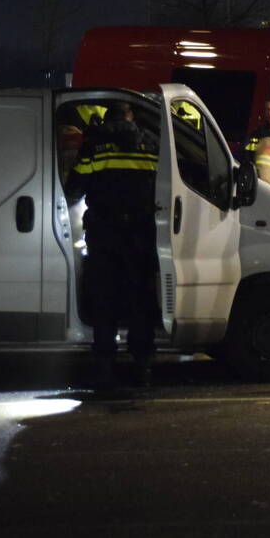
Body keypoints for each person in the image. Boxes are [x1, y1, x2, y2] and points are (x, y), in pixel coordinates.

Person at [64, 101, 159, 388]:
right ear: (131, 118)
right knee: (140, 298)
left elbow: (74, 188)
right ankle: (142, 366)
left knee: (104, 297)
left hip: (104, 231)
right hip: (141, 231)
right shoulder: (151, 143)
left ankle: (105, 366)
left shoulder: (95, 145)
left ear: (108, 118)